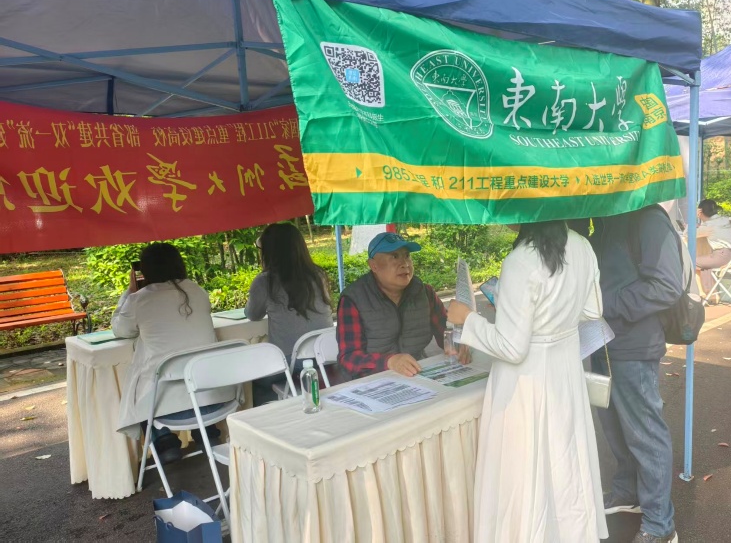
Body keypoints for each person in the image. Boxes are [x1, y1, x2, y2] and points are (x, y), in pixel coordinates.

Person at [447, 222, 608, 543]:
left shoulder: (521, 259)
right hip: (565, 370)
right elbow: (593, 310)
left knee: (524, 469)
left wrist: (467, 319)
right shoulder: (581, 245)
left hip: (525, 382)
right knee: (565, 462)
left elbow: (511, 346)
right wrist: (554, 322)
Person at [588, 205, 684, 543]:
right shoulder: (603, 217)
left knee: (645, 434)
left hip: (634, 345)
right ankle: (627, 492)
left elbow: (667, 285)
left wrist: (606, 303)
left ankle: (660, 524)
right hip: (601, 342)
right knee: (614, 428)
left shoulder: (648, 218)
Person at [113, 243, 220, 465]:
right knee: (189, 372)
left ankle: (164, 440)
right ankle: (208, 432)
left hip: (164, 405)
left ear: (145, 270)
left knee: (139, 385)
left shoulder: (138, 299)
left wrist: (129, 292)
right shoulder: (197, 291)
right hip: (215, 398)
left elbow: (121, 330)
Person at [336, 232, 465, 378]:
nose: (405, 264)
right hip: (371, 379)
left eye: (407, 256)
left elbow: (446, 333)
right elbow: (348, 358)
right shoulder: (354, 299)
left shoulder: (424, 293)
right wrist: (389, 362)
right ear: (373, 265)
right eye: (394, 256)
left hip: (417, 373)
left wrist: (459, 345)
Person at [246, 223, 333, 404]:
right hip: (326, 355)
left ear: (268, 252)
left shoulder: (265, 282)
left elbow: (252, 315)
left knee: (254, 380)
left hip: (290, 362)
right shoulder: (318, 275)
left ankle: (274, 414)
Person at [695, 199, 731, 296]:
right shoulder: (723, 219)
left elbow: (689, 234)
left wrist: (696, 219)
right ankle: (710, 292)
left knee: (692, 261)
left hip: (721, 257)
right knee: (704, 260)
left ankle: (701, 293)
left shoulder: (709, 225)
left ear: (700, 211)